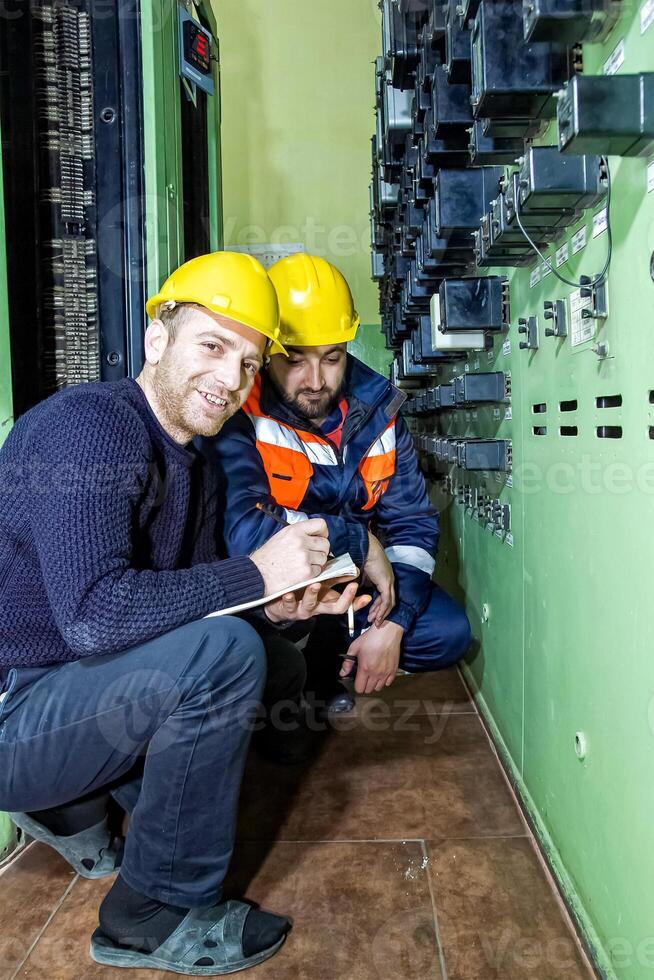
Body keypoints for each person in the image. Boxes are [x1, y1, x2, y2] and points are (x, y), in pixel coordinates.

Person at [0, 251, 369, 975]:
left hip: (72, 687)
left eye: (248, 361)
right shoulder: (92, 428)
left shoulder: (192, 461)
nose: (229, 379)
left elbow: (193, 599)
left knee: (271, 654)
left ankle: (69, 806)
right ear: (156, 340)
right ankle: (150, 916)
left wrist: (284, 606)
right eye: (212, 345)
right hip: (17, 706)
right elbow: (96, 619)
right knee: (224, 657)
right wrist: (255, 572)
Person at [203, 253, 472, 714]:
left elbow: (411, 526)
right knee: (244, 646)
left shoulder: (379, 409)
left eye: (332, 358)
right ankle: (311, 663)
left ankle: (339, 653)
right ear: (267, 351)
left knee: (448, 634)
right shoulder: (238, 411)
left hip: (357, 587)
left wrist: (394, 624)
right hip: (276, 591)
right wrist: (357, 541)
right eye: (294, 360)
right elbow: (244, 530)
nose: (315, 381)